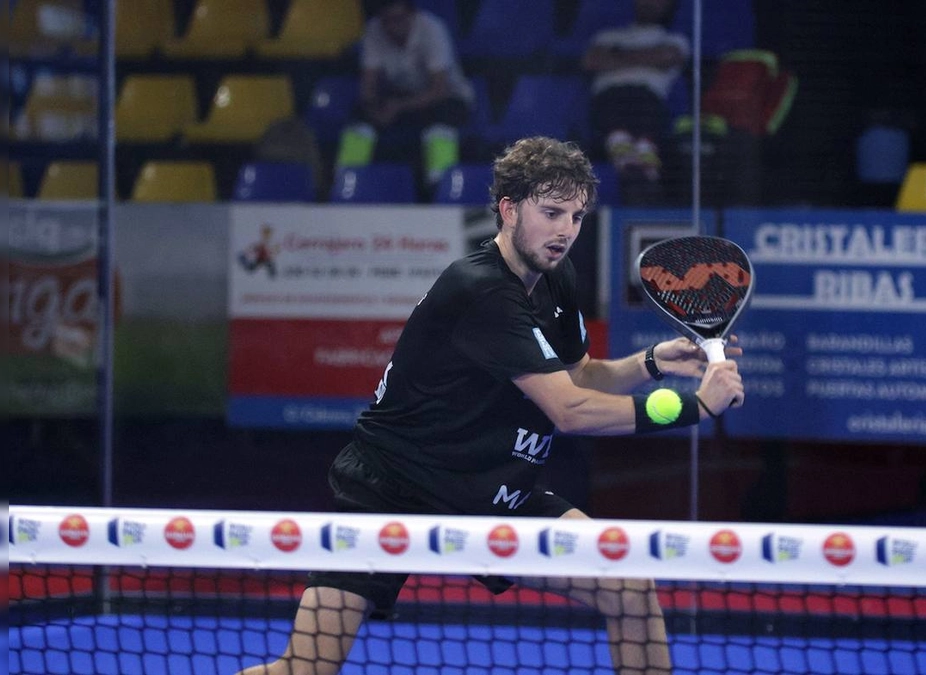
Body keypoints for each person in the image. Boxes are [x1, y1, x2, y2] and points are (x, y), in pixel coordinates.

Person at [232, 137, 745, 675]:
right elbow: (570, 411)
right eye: (551, 213)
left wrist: (653, 362)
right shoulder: (479, 290)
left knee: (630, 590)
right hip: (390, 491)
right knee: (304, 668)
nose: (566, 230)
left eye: (575, 215)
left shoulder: (554, 276)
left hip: (490, 491)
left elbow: (579, 375)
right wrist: (696, 408)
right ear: (508, 209)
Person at [340, 0, 475, 188]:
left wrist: (399, 107)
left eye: (399, 19)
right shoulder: (374, 30)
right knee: (359, 117)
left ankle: (440, 184)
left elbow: (439, 88)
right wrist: (374, 108)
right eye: (387, 21)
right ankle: (346, 180)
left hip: (444, 98)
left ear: (412, 15)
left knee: (442, 118)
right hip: (399, 99)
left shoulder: (431, 29)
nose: (394, 26)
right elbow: (368, 86)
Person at [582, 0, 688, 202]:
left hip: (647, 99)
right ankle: (637, 151)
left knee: (642, 100)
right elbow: (591, 61)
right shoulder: (609, 35)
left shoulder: (674, 39)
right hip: (607, 99)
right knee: (614, 100)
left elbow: (668, 56)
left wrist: (616, 55)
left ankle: (627, 148)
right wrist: (647, 56)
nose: (650, 4)